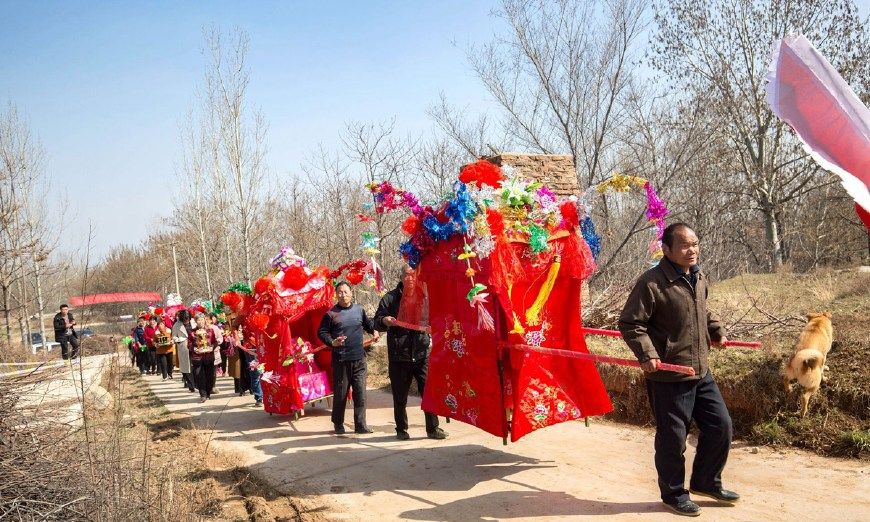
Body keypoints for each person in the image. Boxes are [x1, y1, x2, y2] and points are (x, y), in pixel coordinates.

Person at [618, 223, 739, 517]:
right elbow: (631, 323)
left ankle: (706, 481)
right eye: (684, 245)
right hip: (669, 374)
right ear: (667, 249)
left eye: (695, 244)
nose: (692, 250)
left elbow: (702, 310)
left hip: (700, 370)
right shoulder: (652, 283)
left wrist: (715, 330)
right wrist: (647, 354)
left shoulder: (698, 277)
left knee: (720, 426)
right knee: (673, 438)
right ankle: (673, 493)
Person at [374, 266, 447, 441]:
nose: (410, 278)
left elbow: (436, 319)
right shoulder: (390, 298)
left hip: (421, 354)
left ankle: (433, 428)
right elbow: (376, 321)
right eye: (406, 275)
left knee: (429, 394)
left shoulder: (425, 297)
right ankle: (401, 429)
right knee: (400, 396)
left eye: (413, 275)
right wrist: (385, 320)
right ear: (400, 277)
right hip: (399, 355)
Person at [317, 281, 379, 434]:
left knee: (360, 394)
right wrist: (333, 342)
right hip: (341, 360)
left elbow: (368, 324)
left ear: (351, 293)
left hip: (359, 359)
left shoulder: (359, 310)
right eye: (340, 292)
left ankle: (360, 425)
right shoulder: (331, 314)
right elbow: (322, 332)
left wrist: (375, 331)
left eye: (346, 291)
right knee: (341, 394)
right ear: (335, 295)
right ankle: (338, 424)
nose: (343, 295)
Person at [189, 313, 219, 402]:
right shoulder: (192, 332)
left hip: (209, 356)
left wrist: (211, 348)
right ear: (195, 321)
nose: (200, 322)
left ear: (204, 320)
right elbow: (189, 344)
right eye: (198, 320)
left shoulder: (210, 330)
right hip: (197, 357)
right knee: (199, 376)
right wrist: (194, 348)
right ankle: (203, 395)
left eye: (202, 320)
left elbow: (215, 342)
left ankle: (208, 393)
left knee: (210, 376)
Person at [226, 322, 251, 397]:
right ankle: (241, 389)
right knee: (239, 372)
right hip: (237, 356)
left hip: (247, 353)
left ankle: (251, 388)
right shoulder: (231, 334)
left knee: (249, 370)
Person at [173, 310, 195, 392]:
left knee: (195, 365)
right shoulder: (176, 325)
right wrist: (179, 339)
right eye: (185, 320)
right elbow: (174, 337)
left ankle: (196, 383)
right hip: (184, 347)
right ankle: (191, 385)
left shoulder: (194, 322)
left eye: (188, 319)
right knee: (187, 367)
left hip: (195, 346)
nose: (186, 321)